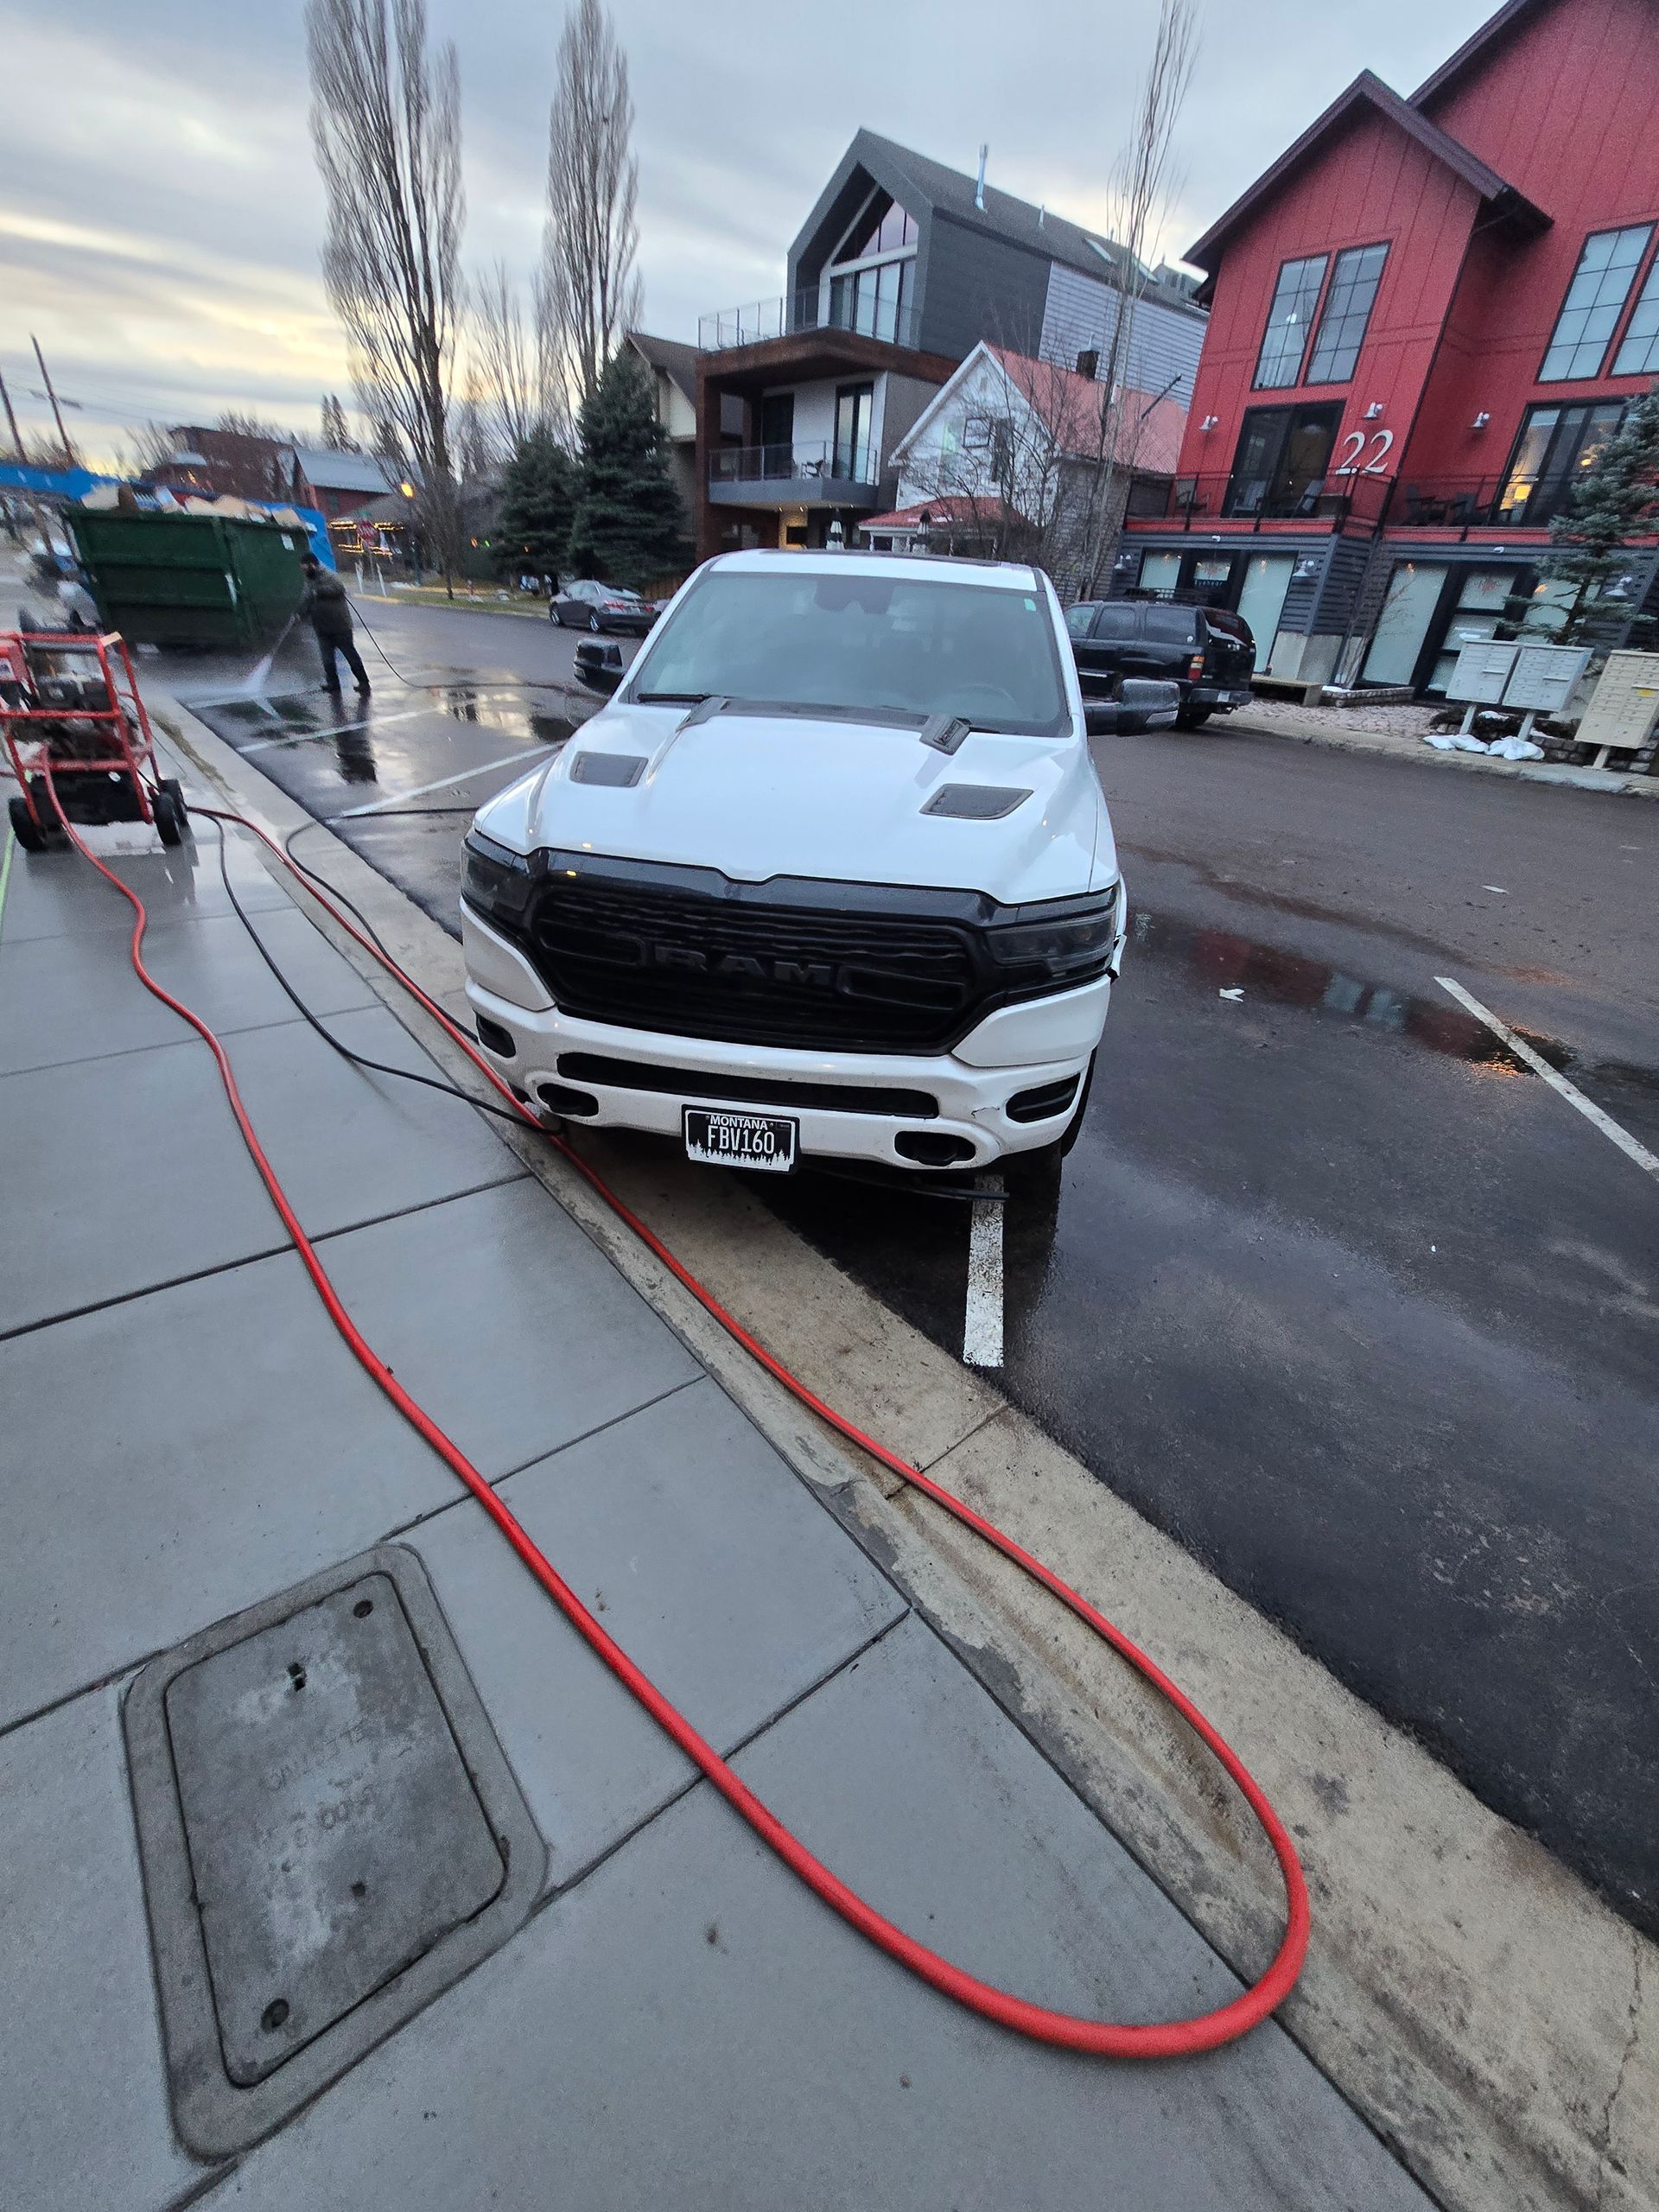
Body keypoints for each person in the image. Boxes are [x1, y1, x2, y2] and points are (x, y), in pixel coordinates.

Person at [298, 556, 370, 695]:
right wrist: (299, 613)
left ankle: (364, 682)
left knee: (351, 656)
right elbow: (306, 598)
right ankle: (333, 684)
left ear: (312, 565)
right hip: (322, 627)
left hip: (340, 626)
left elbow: (339, 588)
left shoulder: (329, 575)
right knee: (327, 660)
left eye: (305, 568)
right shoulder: (310, 580)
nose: (304, 571)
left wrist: (319, 591)